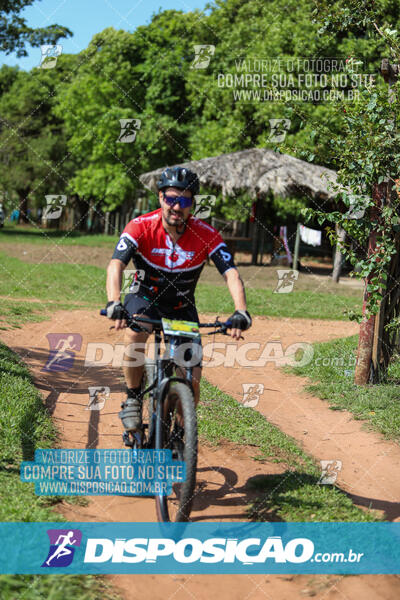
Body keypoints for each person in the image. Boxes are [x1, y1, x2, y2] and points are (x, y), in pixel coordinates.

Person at [105, 166, 252, 432]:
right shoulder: (140, 226)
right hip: (145, 297)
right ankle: (133, 397)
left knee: (192, 380)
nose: (177, 207)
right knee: (136, 333)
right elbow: (116, 265)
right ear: (160, 197)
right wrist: (114, 302)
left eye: (184, 201)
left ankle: (183, 438)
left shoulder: (205, 234)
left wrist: (240, 311)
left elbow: (231, 274)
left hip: (181, 307)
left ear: (192, 204)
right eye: (171, 199)